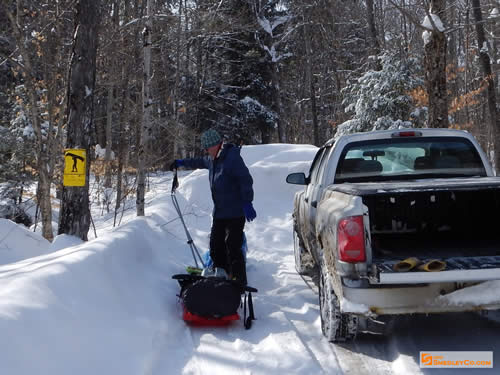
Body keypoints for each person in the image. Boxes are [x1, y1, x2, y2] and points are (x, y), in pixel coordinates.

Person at [169, 128, 256, 285]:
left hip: (236, 212)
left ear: (217, 144)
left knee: (233, 246)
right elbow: (199, 161)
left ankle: (239, 282)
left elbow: (245, 179)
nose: (206, 151)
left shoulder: (232, 158)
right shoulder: (212, 159)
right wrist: (181, 163)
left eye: (208, 147)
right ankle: (220, 275)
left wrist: (247, 202)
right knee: (215, 246)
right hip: (220, 213)